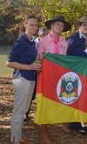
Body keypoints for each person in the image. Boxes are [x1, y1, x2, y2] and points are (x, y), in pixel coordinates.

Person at [6, 15, 42, 144]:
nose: (34, 27)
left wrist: (36, 65)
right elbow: (9, 63)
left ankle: (19, 136)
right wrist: (30, 66)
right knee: (19, 109)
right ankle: (14, 139)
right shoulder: (21, 41)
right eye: (31, 24)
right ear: (25, 25)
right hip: (22, 78)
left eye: (36, 25)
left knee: (25, 109)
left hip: (31, 77)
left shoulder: (32, 41)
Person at [37, 15, 71, 144]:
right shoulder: (43, 41)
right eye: (57, 24)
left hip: (59, 76)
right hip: (46, 75)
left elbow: (65, 59)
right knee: (44, 103)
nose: (59, 27)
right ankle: (42, 131)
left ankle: (47, 129)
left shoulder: (64, 42)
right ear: (51, 26)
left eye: (62, 26)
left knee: (53, 102)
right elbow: (39, 58)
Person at [66, 17, 87, 135]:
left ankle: (86, 124)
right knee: (77, 99)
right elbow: (67, 56)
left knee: (86, 99)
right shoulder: (73, 39)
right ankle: (76, 125)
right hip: (76, 74)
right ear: (80, 26)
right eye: (84, 25)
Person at [24, 26, 49, 122]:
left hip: (43, 73)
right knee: (30, 94)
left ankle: (41, 115)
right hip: (32, 73)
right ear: (42, 35)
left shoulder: (47, 44)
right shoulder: (33, 44)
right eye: (47, 35)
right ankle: (25, 113)